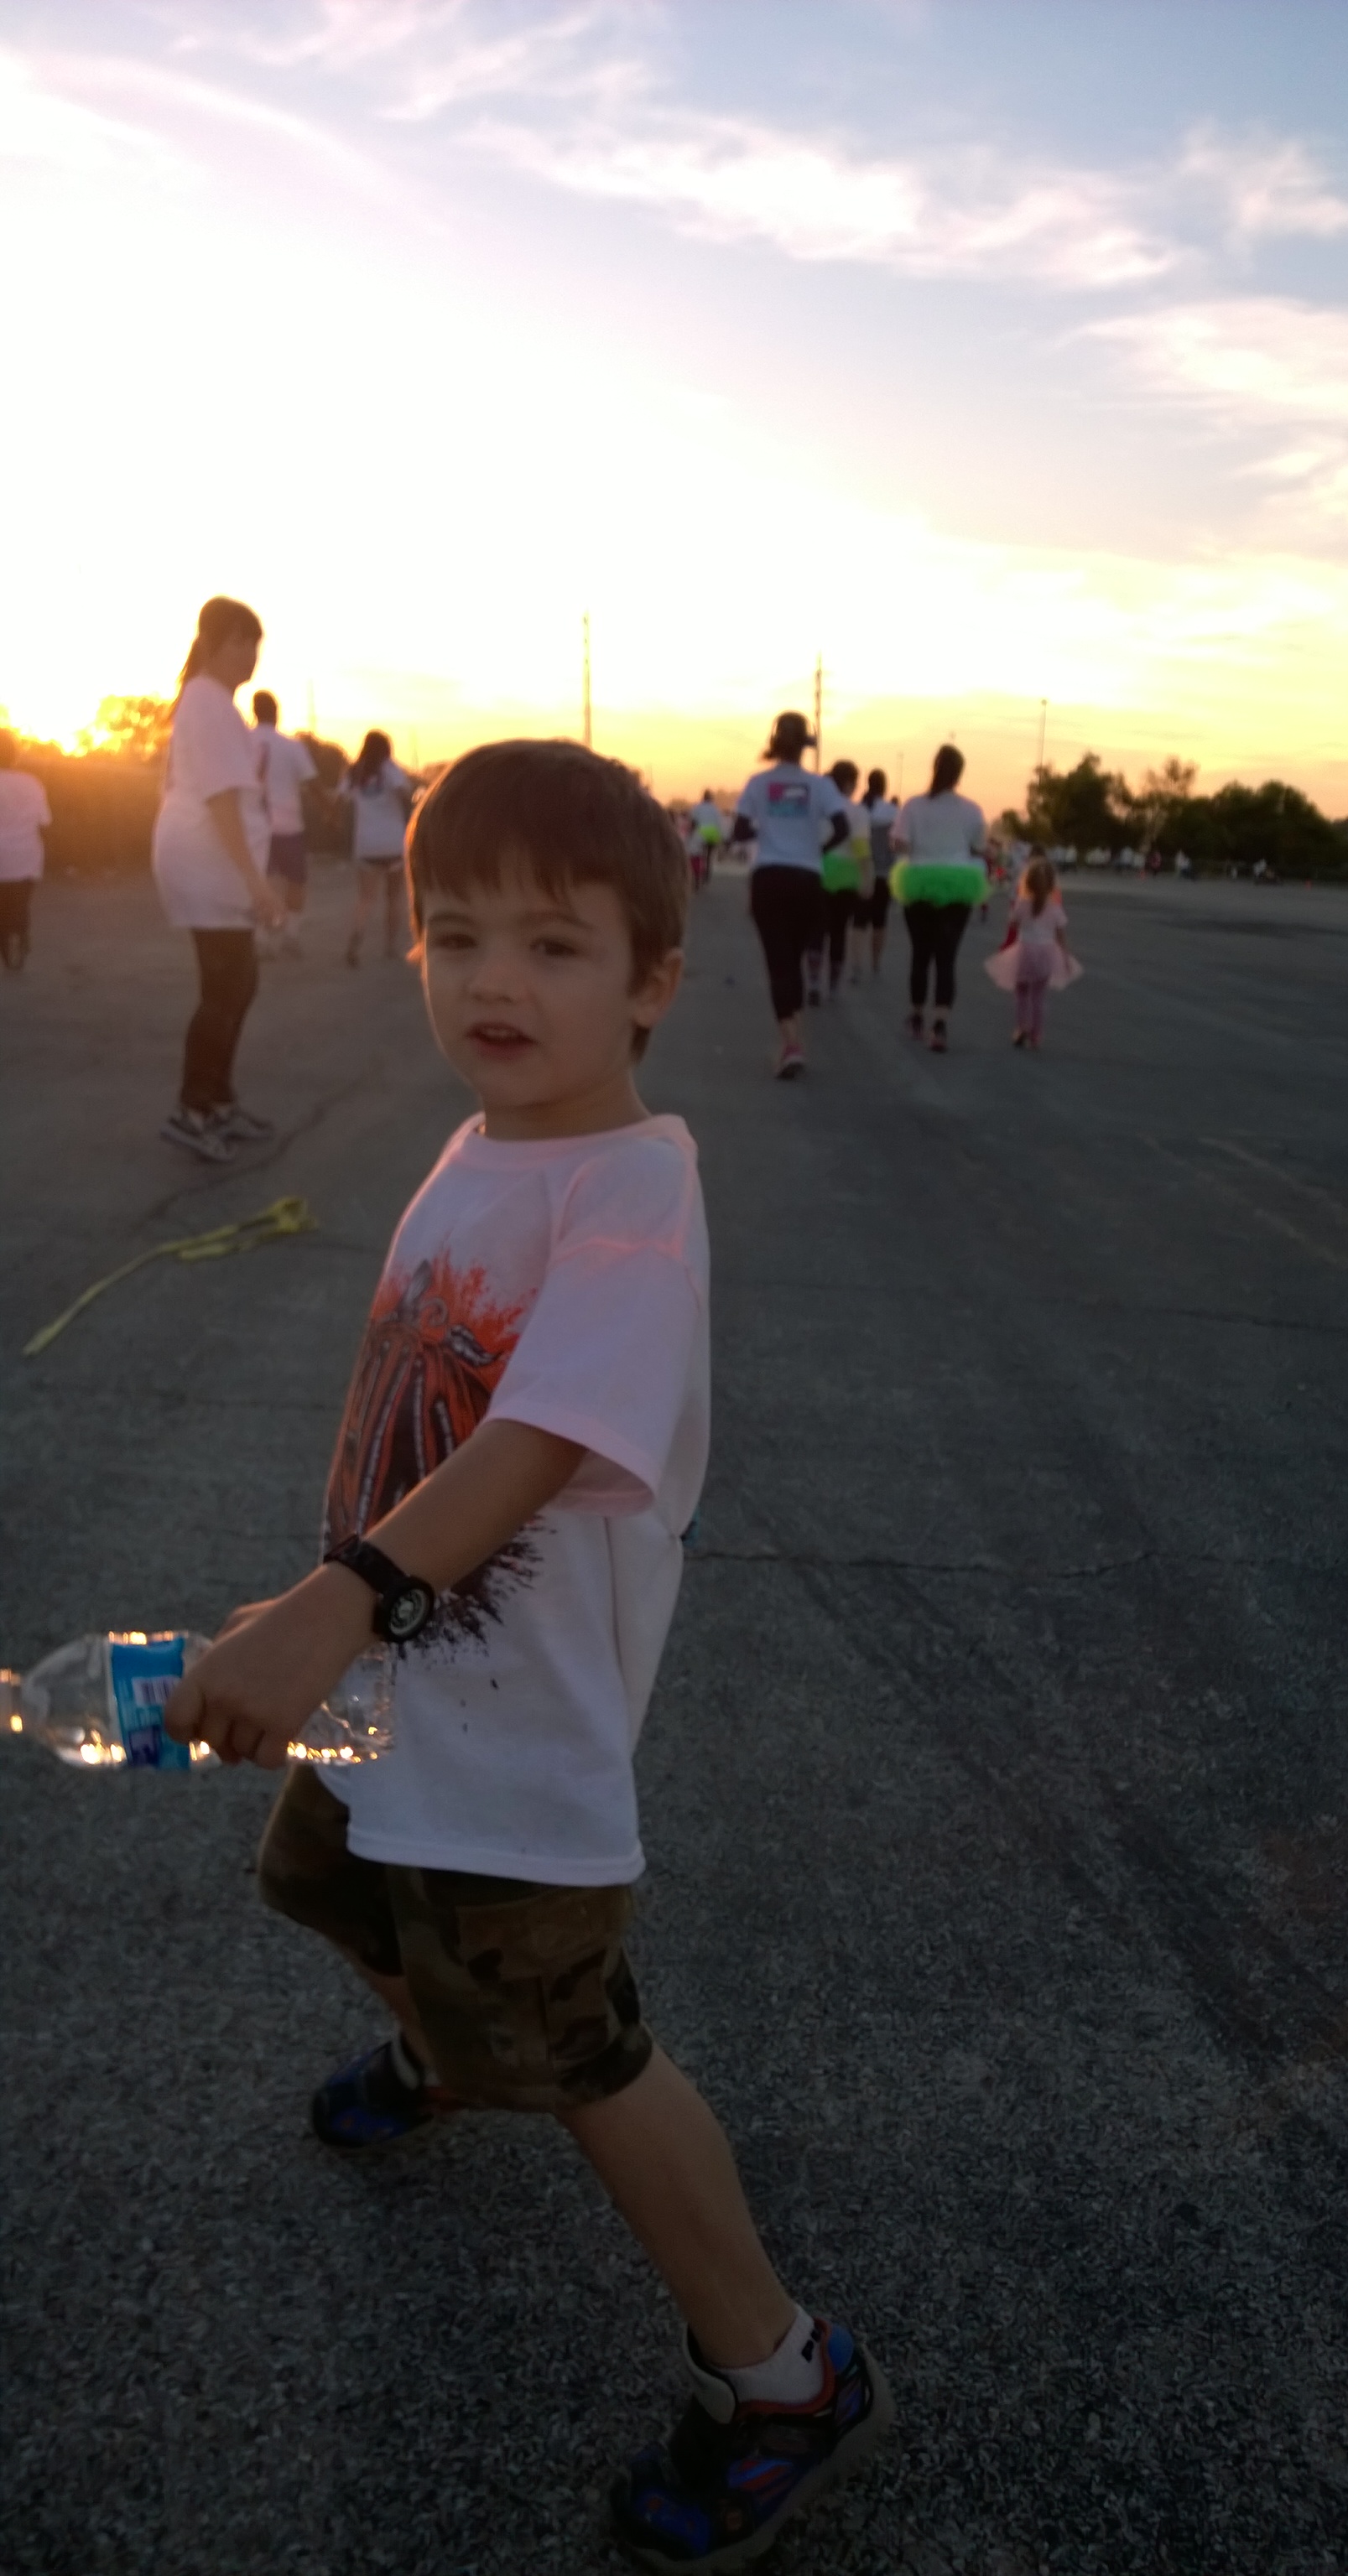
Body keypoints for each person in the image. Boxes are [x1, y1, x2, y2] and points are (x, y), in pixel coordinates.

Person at [164, 738, 893, 2568]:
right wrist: (335, 1597)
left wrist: (336, 1597)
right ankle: (435, 2046)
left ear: (655, 980)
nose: (494, 979)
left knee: (581, 2056)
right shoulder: (478, 1145)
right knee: (325, 1894)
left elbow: (536, 1440)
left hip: (514, 1751)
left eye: (557, 946)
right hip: (393, 1697)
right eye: (455, 932)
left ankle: (780, 2369)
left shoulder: (631, 1194)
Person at [151, 596, 284, 1162]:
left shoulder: (211, 703)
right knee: (224, 987)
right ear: (213, 643)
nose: (251, 654)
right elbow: (222, 800)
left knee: (239, 984)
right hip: (211, 864)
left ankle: (219, 1101)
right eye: (240, 642)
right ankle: (193, 1108)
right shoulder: (206, 703)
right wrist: (257, 881)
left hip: (215, 861)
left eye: (256, 643)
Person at [730, 711, 849, 1078]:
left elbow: (738, 831)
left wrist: (769, 833)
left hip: (769, 877)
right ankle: (793, 1037)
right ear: (805, 748)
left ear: (775, 745)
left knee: (777, 962)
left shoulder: (758, 784)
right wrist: (816, 849)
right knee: (794, 959)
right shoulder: (822, 786)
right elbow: (842, 828)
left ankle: (791, 1042)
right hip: (807, 878)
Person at [891, 744, 988, 1052]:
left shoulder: (914, 806)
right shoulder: (972, 810)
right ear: (959, 774)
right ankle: (940, 1026)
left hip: (919, 881)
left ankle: (917, 1016)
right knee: (947, 958)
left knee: (921, 954)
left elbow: (901, 845)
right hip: (958, 882)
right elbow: (979, 847)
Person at [984, 849, 1081, 1048]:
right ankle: (1036, 1034)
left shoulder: (1022, 904)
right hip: (1047, 954)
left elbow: (1013, 925)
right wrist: (1066, 957)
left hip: (1024, 951)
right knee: (1039, 996)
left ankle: (1021, 1028)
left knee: (1021, 994)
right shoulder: (1055, 908)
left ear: (1026, 882)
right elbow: (1061, 936)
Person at [340, 730, 416, 967]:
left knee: (366, 898)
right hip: (392, 841)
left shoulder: (355, 772)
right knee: (394, 897)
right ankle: (391, 947)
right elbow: (406, 794)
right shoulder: (390, 769)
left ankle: (356, 939)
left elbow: (341, 798)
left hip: (366, 844)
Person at [252, 689, 317, 955]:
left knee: (261, 880)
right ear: (276, 713)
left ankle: (263, 937)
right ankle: (290, 935)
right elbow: (312, 782)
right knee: (296, 880)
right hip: (289, 824)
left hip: (254, 824)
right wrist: (330, 812)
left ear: (254, 713)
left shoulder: (243, 742)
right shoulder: (291, 746)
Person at [0, 729, 52, 971]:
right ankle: (21, 932)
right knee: (21, 901)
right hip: (26, 856)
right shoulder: (32, 783)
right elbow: (45, 822)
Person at [818, 758, 867, 996]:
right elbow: (861, 849)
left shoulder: (818, 806)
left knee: (816, 930)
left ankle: (814, 982)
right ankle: (834, 986)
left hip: (818, 870)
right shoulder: (857, 811)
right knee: (839, 931)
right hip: (847, 873)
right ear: (849, 783)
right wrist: (866, 877)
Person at [851, 766, 898, 979]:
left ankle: (856, 964)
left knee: (859, 921)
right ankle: (876, 963)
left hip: (861, 871)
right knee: (880, 920)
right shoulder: (892, 812)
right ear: (884, 787)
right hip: (884, 873)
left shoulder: (860, 809)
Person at [686, 789, 725, 892]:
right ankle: (706, 873)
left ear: (703, 797)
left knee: (699, 856)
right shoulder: (715, 809)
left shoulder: (697, 807)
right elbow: (719, 824)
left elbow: (694, 821)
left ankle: (698, 877)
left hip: (700, 832)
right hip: (712, 833)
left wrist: (690, 835)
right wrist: (719, 838)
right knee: (708, 856)